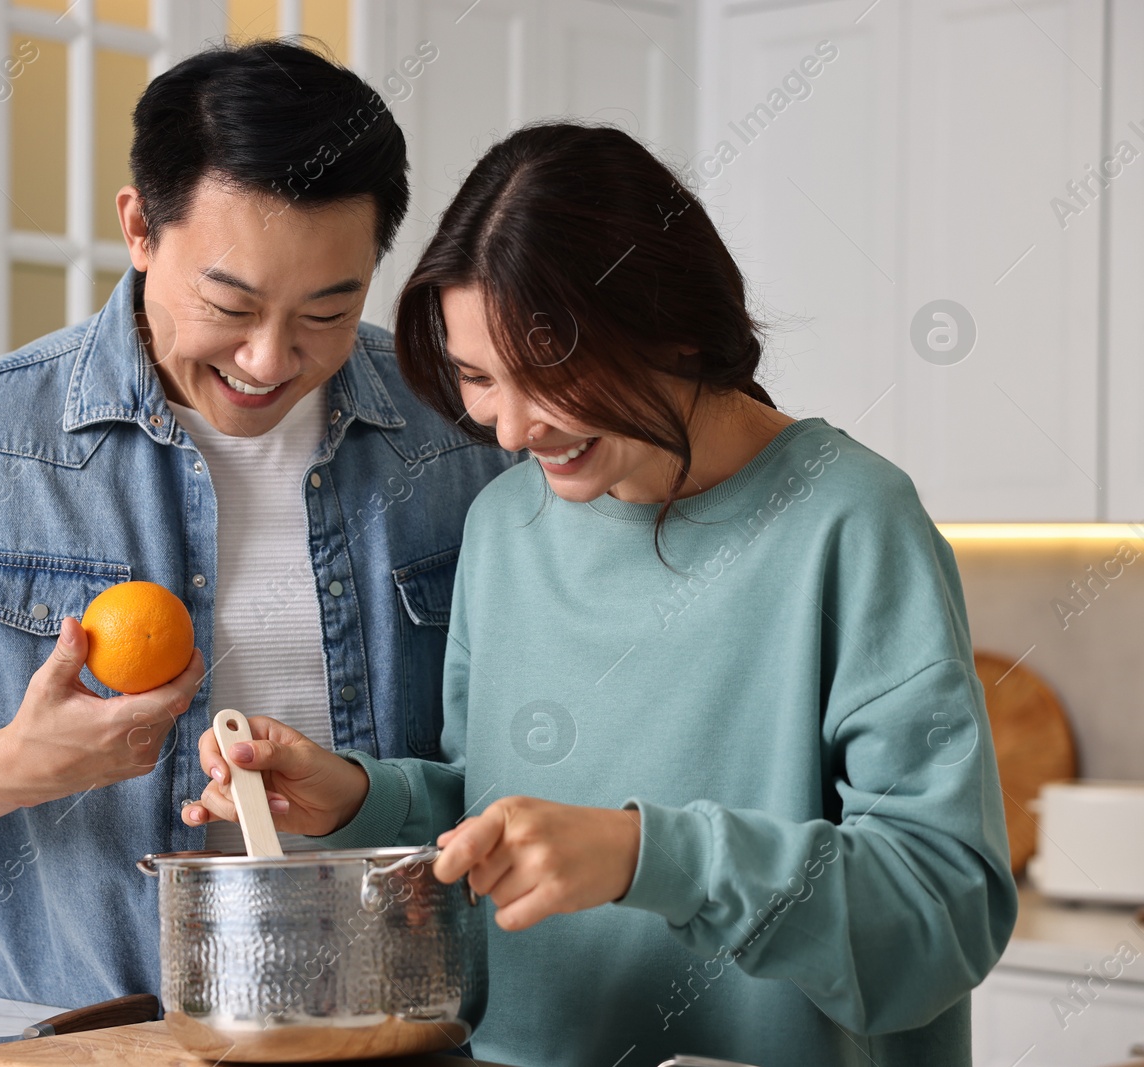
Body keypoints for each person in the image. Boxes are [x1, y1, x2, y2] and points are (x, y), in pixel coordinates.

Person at [183, 122, 1018, 1067]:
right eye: (478, 380)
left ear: (670, 321)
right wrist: (356, 800)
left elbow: (944, 913)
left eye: (548, 375)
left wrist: (645, 857)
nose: (509, 428)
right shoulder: (506, 525)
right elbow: (495, 811)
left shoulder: (850, 522)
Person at [0, 41, 513, 1010]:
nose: (268, 357)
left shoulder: (461, 435)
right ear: (137, 226)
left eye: (327, 312)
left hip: (414, 1021)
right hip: (95, 1030)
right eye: (230, 303)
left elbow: (524, 754)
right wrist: (13, 762)